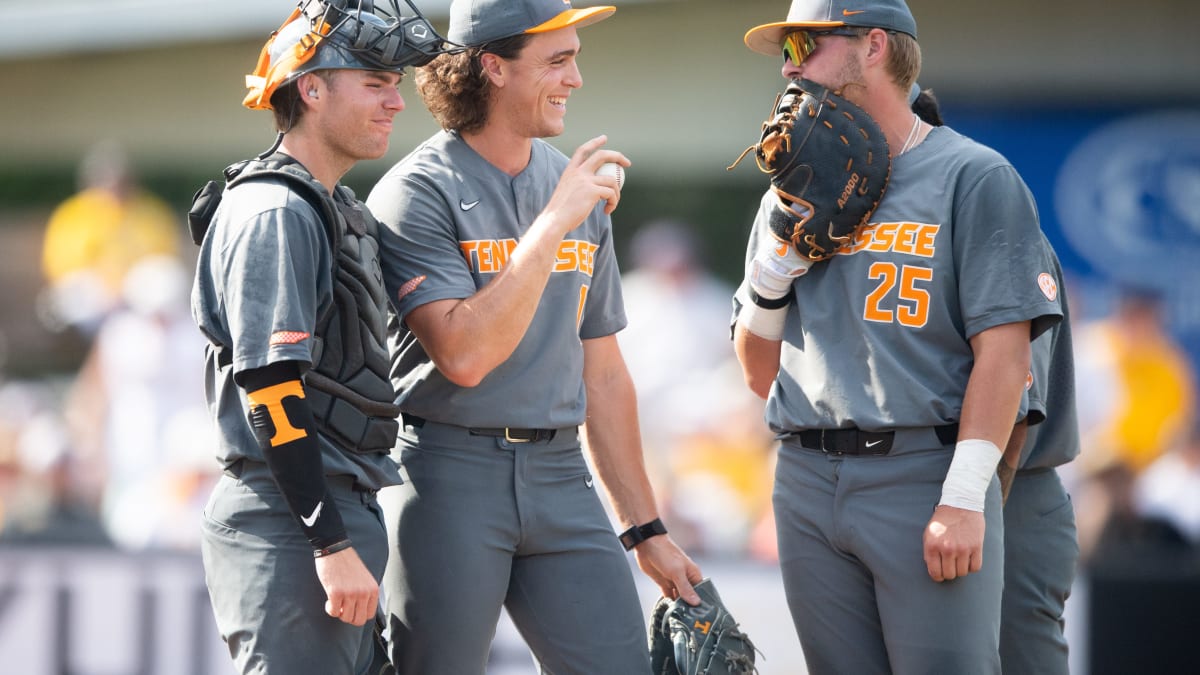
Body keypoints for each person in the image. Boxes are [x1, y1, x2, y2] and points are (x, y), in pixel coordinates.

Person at [365, 1, 702, 672]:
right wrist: (552, 225)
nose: (576, 79)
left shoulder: (573, 188)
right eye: (557, 60)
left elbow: (602, 374)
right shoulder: (416, 192)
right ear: (492, 66)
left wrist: (645, 527)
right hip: (448, 473)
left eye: (575, 57)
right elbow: (464, 355)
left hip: (560, 473)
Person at [731, 1, 1063, 671]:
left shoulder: (974, 176)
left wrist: (964, 496)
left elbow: (1005, 357)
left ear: (874, 45)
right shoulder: (787, 189)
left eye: (806, 41)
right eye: (786, 47)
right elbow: (759, 373)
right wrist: (770, 281)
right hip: (807, 474)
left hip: (923, 468)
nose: (790, 62)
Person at [188, 1, 447, 672]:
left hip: (333, 505)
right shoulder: (277, 208)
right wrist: (329, 543)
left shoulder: (338, 206)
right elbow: (270, 385)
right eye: (375, 83)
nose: (396, 102)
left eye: (395, 85)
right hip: (290, 516)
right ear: (312, 86)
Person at [997, 243, 1080, 675]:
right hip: (936, 489)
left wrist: (976, 507)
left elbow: (1017, 408)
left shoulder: (1007, 236)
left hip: (1017, 492)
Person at [40, 139, 181, 333]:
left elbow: (164, 261)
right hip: (94, 298)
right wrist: (108, 288)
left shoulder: (152, 212)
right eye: (107, 181)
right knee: (79, 291)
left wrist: (125, 289)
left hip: (136, 295)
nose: (115, 188)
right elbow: (62, 267)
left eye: (121, 181)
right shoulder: (71, 215)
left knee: (163, 282)